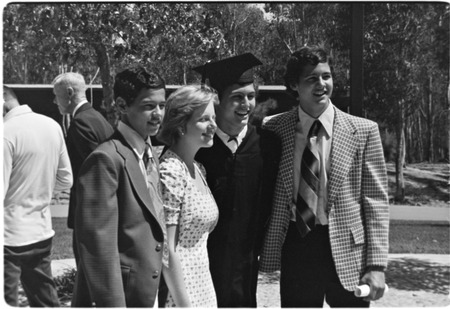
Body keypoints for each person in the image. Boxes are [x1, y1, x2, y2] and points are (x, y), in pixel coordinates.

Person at [259, 45, 390, 307]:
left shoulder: (363, 131)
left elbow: (376, 201)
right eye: (311, 78)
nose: (321, 84)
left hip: (348, 250)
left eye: (326, 76)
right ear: (295, 85)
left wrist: (376, 265)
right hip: (297, 245)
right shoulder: (273, 128)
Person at [71, 66, 167, 307]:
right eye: (148, 106)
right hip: (124, 297)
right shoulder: (105, 159)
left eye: (162, 106)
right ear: (122, 105)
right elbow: (98, 250)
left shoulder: (149, 153)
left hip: (150, 291)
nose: (158, 114)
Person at [193, 53, 280, 307]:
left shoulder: (268, 146)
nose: (246, 104)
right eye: (237, 97)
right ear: (217, 100)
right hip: (202, 261)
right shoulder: (196, 147)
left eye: (251, 96)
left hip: (246, 262)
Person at [3, 86, 73, 307]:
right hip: (41, 231)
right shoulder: (52, 125)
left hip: (8, 236)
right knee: (45, 300)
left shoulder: (5, 132)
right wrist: (36, 189)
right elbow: (66, 179)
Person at [157, 85, 219, 307]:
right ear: (181, 125)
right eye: (204, 119)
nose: (213, 125)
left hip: (203, 285)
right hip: (179, 293)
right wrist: (184, 304)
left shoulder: (198, 169)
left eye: (213, 117)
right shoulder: (171, 171)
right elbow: (167, 248)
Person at [52, 72, 114, 263]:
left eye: (56, 95)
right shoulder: (97, 118)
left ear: (69, 92)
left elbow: (98, 171)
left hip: (91, 214)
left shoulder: (81, 123)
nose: (55, 101)